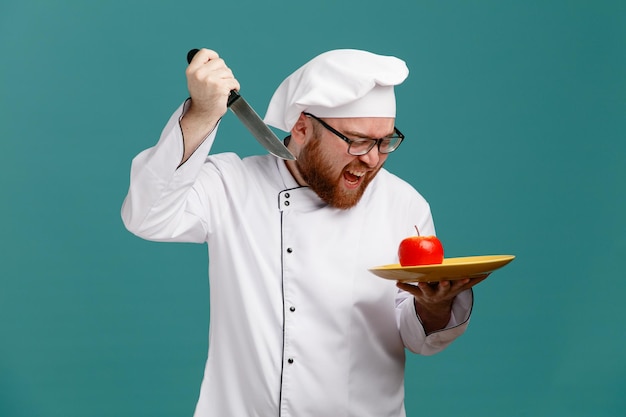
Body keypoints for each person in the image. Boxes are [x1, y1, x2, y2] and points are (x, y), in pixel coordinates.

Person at [121, 48, 487, 417]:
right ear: (301, 127)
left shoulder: (404, 205)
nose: (372, 159)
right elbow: (147, 216)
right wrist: (202, 113)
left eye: (385, 142)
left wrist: (434, 306)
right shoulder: (231, 185)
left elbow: (416, 335)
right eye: (357, 141)